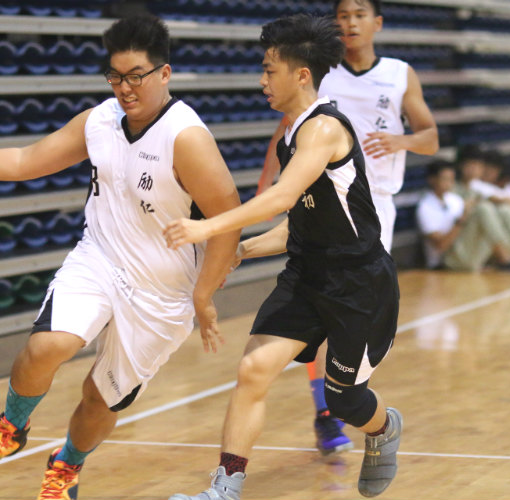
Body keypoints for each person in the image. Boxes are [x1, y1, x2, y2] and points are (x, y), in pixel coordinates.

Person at [0, 15, 241, 500]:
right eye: (116, 76)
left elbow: (228, 218)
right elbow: (24, 161)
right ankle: (9, 429)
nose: (125, 87)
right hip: (100, 259)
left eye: (137, 75)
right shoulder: (99, 121)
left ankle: (66, 465)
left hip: (162, 293)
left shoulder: (187, 138)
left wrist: (204, 295)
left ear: (164, 74)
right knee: (47, 346)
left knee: (100, 400)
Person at [164, 14, 402, 499]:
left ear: (301, 75)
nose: (262, 79)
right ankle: (224, 488)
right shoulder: (293, 133)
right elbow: (299, 219)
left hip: (358, 283)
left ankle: (383, 429)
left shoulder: (324, 130)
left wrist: (208, 228)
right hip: (307, 275)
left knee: (344, 400)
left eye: (270, 70)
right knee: (252, 369)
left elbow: (281, 196)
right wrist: (246, 249)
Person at [259, 0, 438, 456]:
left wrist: (400, 140)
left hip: (373, 208)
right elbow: (285, 134)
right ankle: (325, 410)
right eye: (342, 15)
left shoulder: (400, 73)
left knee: (345, 315)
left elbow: (431, 137)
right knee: (314, 301)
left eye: (359, 14)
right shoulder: (320, 73)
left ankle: (346, 400)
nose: (350, 22)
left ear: (376, 23)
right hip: (318, 200)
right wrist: (268, 192)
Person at [416, 160, 510, 271]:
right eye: (445, 179)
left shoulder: (454, 199)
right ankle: (504, 257)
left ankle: (509, 254)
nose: (449, 183)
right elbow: (441, 246)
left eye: (451, 179)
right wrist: (461, 220)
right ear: (432, 180)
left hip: (462, 250)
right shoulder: (425, 207)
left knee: (494, 210)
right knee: (483, 210)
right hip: (445, 260)